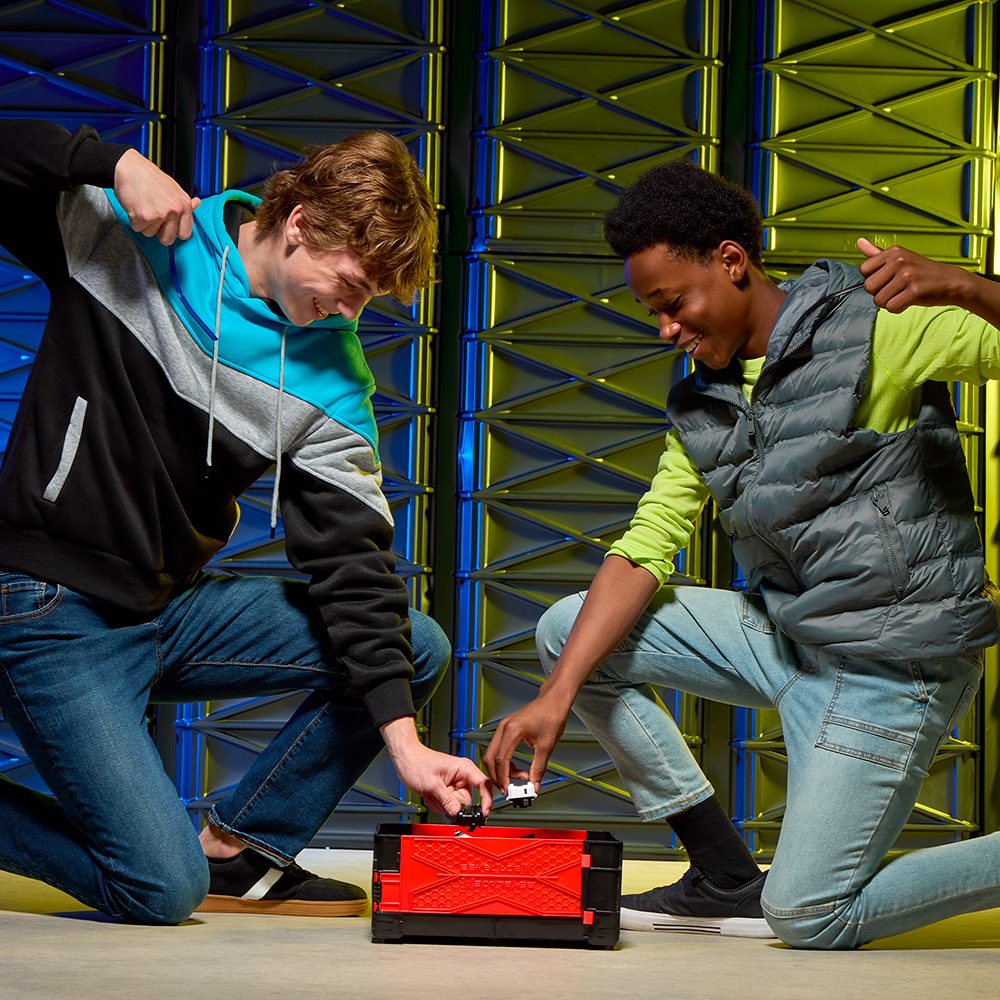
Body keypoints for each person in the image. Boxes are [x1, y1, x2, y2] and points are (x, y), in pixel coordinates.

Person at [483, 158, 1000, 948]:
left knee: (807, 916)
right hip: (792, 643)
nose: (666, 329)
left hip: (892, 669)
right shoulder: (703, 403)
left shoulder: (877, 327)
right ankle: (723, 873)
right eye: (653, 313)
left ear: (731, 261)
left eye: (673, 304)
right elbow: (645, 546)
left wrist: (965, 286)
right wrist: (555, 696)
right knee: (568, 635)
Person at [0, 119, 491, 925]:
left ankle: (241, 848)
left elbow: (353, 565)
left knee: (418, 644)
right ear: (298, 223)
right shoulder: (134, 239)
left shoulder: (333, 376)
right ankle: (182, 865)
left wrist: (405, 747)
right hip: (46, 605)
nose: (351, 310)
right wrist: (112, 162)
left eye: (369, 297)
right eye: (351, 282)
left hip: (162, 612)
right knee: (160, 888)